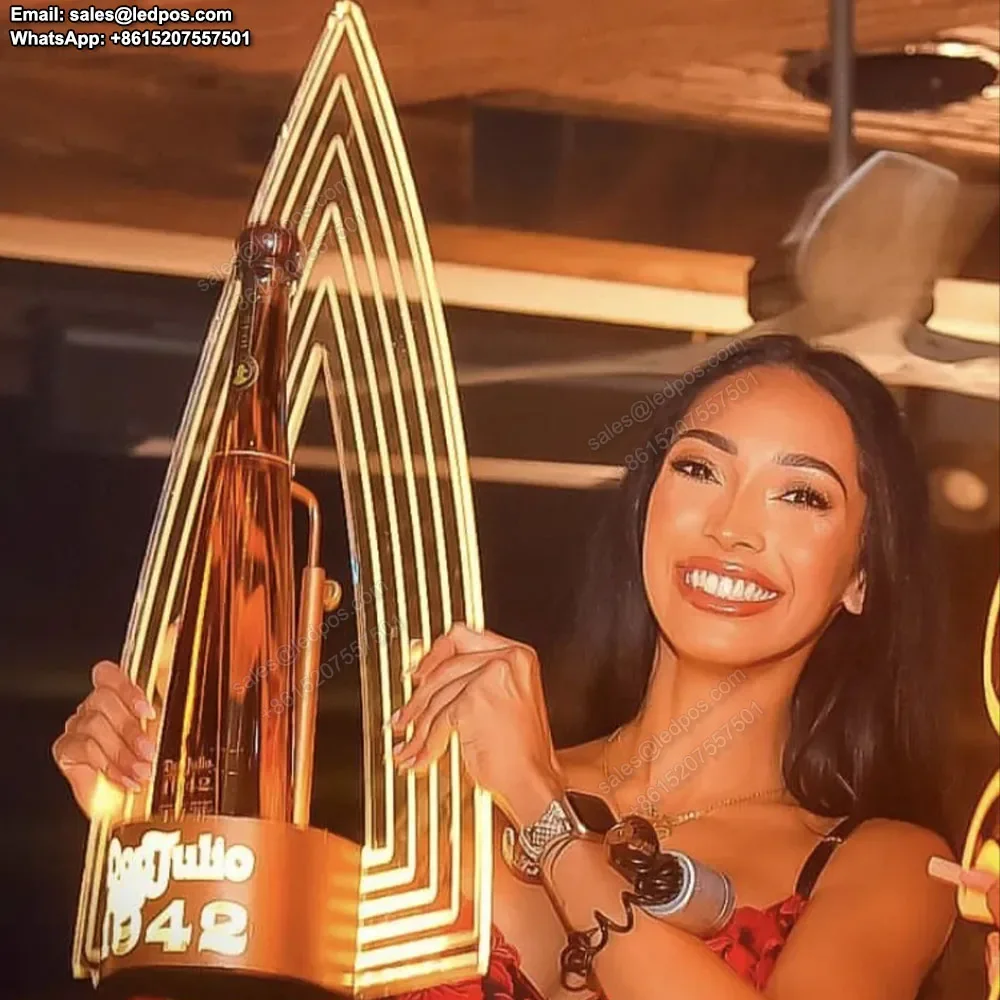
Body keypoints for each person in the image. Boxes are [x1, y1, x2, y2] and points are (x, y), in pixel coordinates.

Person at [54, 334, 961, 998]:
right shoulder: (452, 812)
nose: (732, 528)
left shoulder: (887, 867)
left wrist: (542, 808)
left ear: (862, 576)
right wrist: (162, 834)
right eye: (698, 470)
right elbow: (223, 969)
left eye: (800, 494)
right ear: (647, 509)